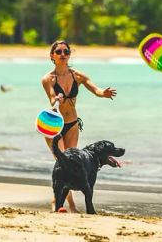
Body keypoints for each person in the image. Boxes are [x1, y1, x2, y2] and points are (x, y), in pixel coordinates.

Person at [41, 40, 117, 212]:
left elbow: (95, 89)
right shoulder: (48, 79)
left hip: (73, 124)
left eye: (66, 52)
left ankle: (64, 203)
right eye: (58, 52)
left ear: (69, 54)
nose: (62, 55)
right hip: (55, 125)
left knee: (72, 162)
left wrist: (103, 93)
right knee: (62, 161)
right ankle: (61, 203)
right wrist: (57, 100)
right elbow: (52, 98)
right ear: (52, 56)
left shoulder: (77, 76)